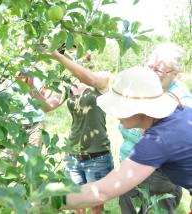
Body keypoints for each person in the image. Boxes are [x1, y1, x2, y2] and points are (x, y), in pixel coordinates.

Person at [61, 66, 192, 213]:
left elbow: (101, 192)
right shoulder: (180, 113)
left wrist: (45, 199)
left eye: (119, 105)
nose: (114, 112)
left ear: (139, 107)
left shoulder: (158, 141)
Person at [119, 43, 192, 214]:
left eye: (158, 70)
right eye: (150, 66)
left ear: (175, 74)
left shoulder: (182, 101)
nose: (151, 73)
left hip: (159, 177)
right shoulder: (140, 90)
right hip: (127, 167)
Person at [48, 50, 114, 214]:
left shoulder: (102, 79)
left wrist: (59, 56)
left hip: (97, 155)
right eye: (68, 51)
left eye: (75, 51)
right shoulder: (67, 86)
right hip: (73, 154)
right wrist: (30, 86)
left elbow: (90, 78)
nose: (72, 54)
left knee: (96, 205)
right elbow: (47, 106)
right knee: (77, 204)